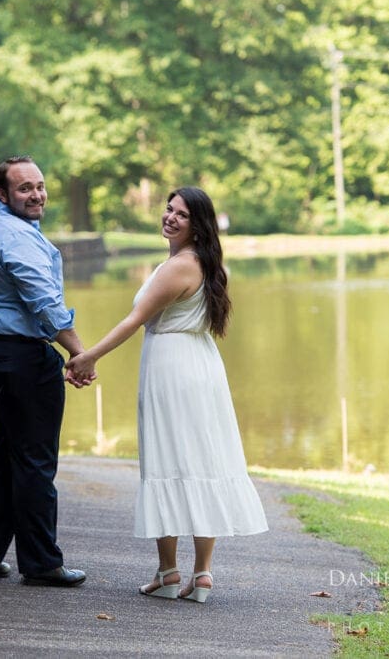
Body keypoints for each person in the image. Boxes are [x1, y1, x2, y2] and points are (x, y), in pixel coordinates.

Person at [66, 186, 268, 603]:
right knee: (202, 456)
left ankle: (169, 573)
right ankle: (203, 574)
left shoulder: (179, 266)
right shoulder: (206, 263)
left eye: (182, 214)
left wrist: (87, 357)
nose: (170, 217)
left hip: (172, 366)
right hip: (200, 363)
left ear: (198, 225)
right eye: (169, 209)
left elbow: (134, 320)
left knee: (168, 457)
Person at [0, 155, 93, 587]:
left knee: (8, 456)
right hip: (16, 358)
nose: (36, 194)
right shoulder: (15, 237)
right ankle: (41, 564)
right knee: (35, 461)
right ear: (2, 194)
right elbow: (45, 304)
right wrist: (79, 354)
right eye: (24, 188)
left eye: (39, 185)